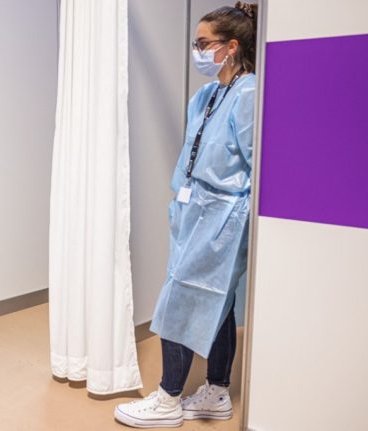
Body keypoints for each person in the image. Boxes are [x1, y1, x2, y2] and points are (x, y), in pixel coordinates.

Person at [114, 2, 257, 428]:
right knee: (219, 302)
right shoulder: (208, 94)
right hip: (194, 209)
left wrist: (231, 219)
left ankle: (168, 398)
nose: (197, 52)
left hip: (223, 216)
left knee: (181, 298)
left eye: (203, 44)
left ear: (231, 47)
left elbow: (256, 165)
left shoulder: (251, 94)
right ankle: (215, 391)